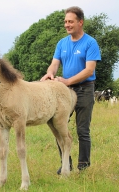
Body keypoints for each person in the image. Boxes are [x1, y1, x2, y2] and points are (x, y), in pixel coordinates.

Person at [40, 6, 101, 174]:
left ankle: (83, 166)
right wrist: (50, 74)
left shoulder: (90, 43)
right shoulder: (62, 43)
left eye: (71, 21)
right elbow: (54, 63)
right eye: (65, 21)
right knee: (59, 128)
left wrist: (67, 81)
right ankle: (66, 164)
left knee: (82, 130)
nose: (67, 25)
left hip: (85, 89)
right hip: (64, 92)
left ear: (80, 22)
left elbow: (89, 70)